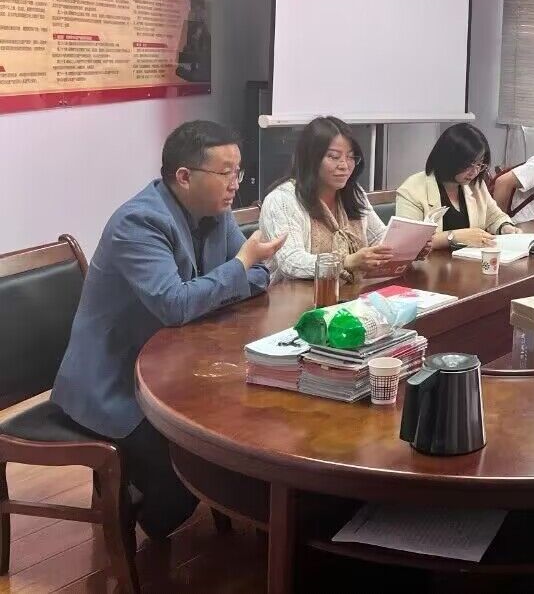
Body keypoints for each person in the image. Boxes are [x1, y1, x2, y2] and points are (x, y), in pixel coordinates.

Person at [51, 120, 285, 538]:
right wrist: (237, 267)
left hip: (178, 367)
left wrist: (229, 276)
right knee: (188, 469)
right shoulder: (139, 222)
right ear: (184, 176)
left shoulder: (216, 213)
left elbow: (259, 276)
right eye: (225, 173)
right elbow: (176, 304)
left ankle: (270, 520)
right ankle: (138, 506)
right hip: (115, 382)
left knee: (252, 428)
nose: (235, 184)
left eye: (238, 172)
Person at [259, 116, 397, 283]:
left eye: (351, 157)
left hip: (349, 292)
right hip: (295, 295)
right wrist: (346, 262)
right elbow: (291, 261)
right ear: (311, 159)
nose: (344, 165)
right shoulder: (282, 199)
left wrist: (406, 247)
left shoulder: (354, 193)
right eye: (334, 156)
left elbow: (378, 237)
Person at [396, 123, 521, 251]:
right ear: (449, 159)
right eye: (469, 164)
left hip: (469, 260)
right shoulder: (413, 189)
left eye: (479, 165)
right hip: (429, 262)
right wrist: (453, 237)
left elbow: (495, 217)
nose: (475, 172)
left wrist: (505, 227)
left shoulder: (475, 185)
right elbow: (407, 241)